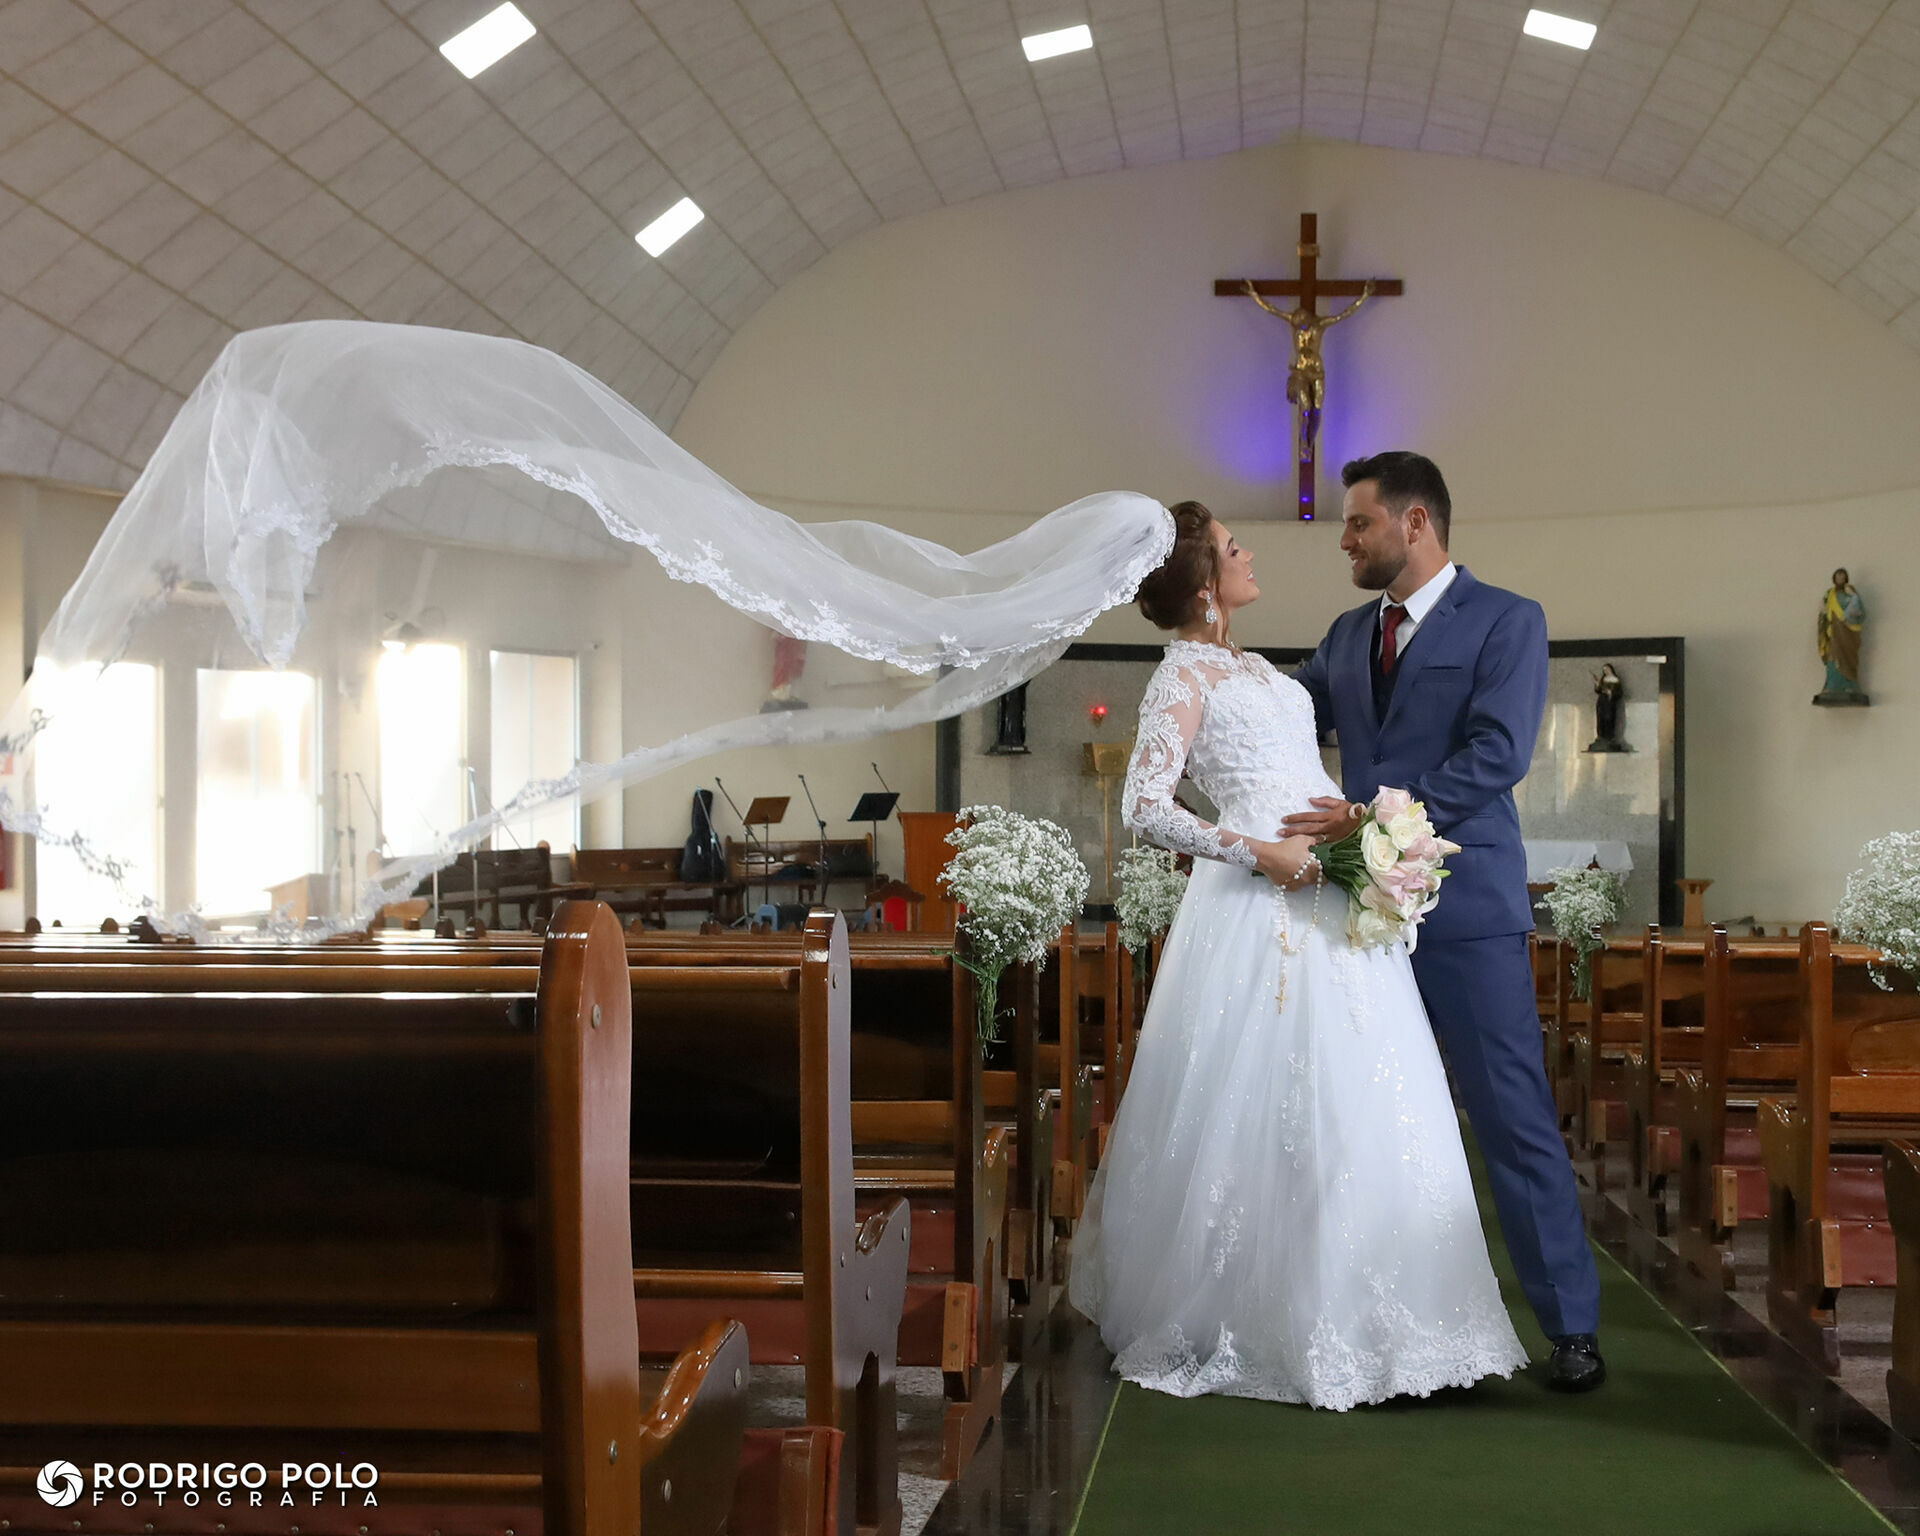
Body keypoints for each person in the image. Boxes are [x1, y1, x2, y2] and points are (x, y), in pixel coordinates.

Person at [1067, 500, 1529, 1408]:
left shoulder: (1261, 668)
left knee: (1363, 1092)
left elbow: (1301, 774)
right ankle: (1260, 1314)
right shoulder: (1181, 678)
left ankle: (1389, 1320)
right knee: (1271, 1097)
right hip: (1256, 905)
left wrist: (1374, 838)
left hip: (1330, 893)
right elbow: (1147, 809)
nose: (1250, 557)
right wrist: (1258, 851)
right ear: (1206, 585)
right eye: (1235, 551)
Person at [1287, 451, 1604, 1391]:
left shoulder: (1509, 620)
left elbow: (1497, 755)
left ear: (1415, 522)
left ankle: (1572, 1326)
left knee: (1511, 1115)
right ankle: (1374, 1326)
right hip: (1354, 913)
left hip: (1466, 910)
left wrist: (1370, 812)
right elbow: (1282, 711)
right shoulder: (1346, 636)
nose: (1345, 540)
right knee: (1358, 1119)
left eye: (1359, 524)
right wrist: (1204, 662)